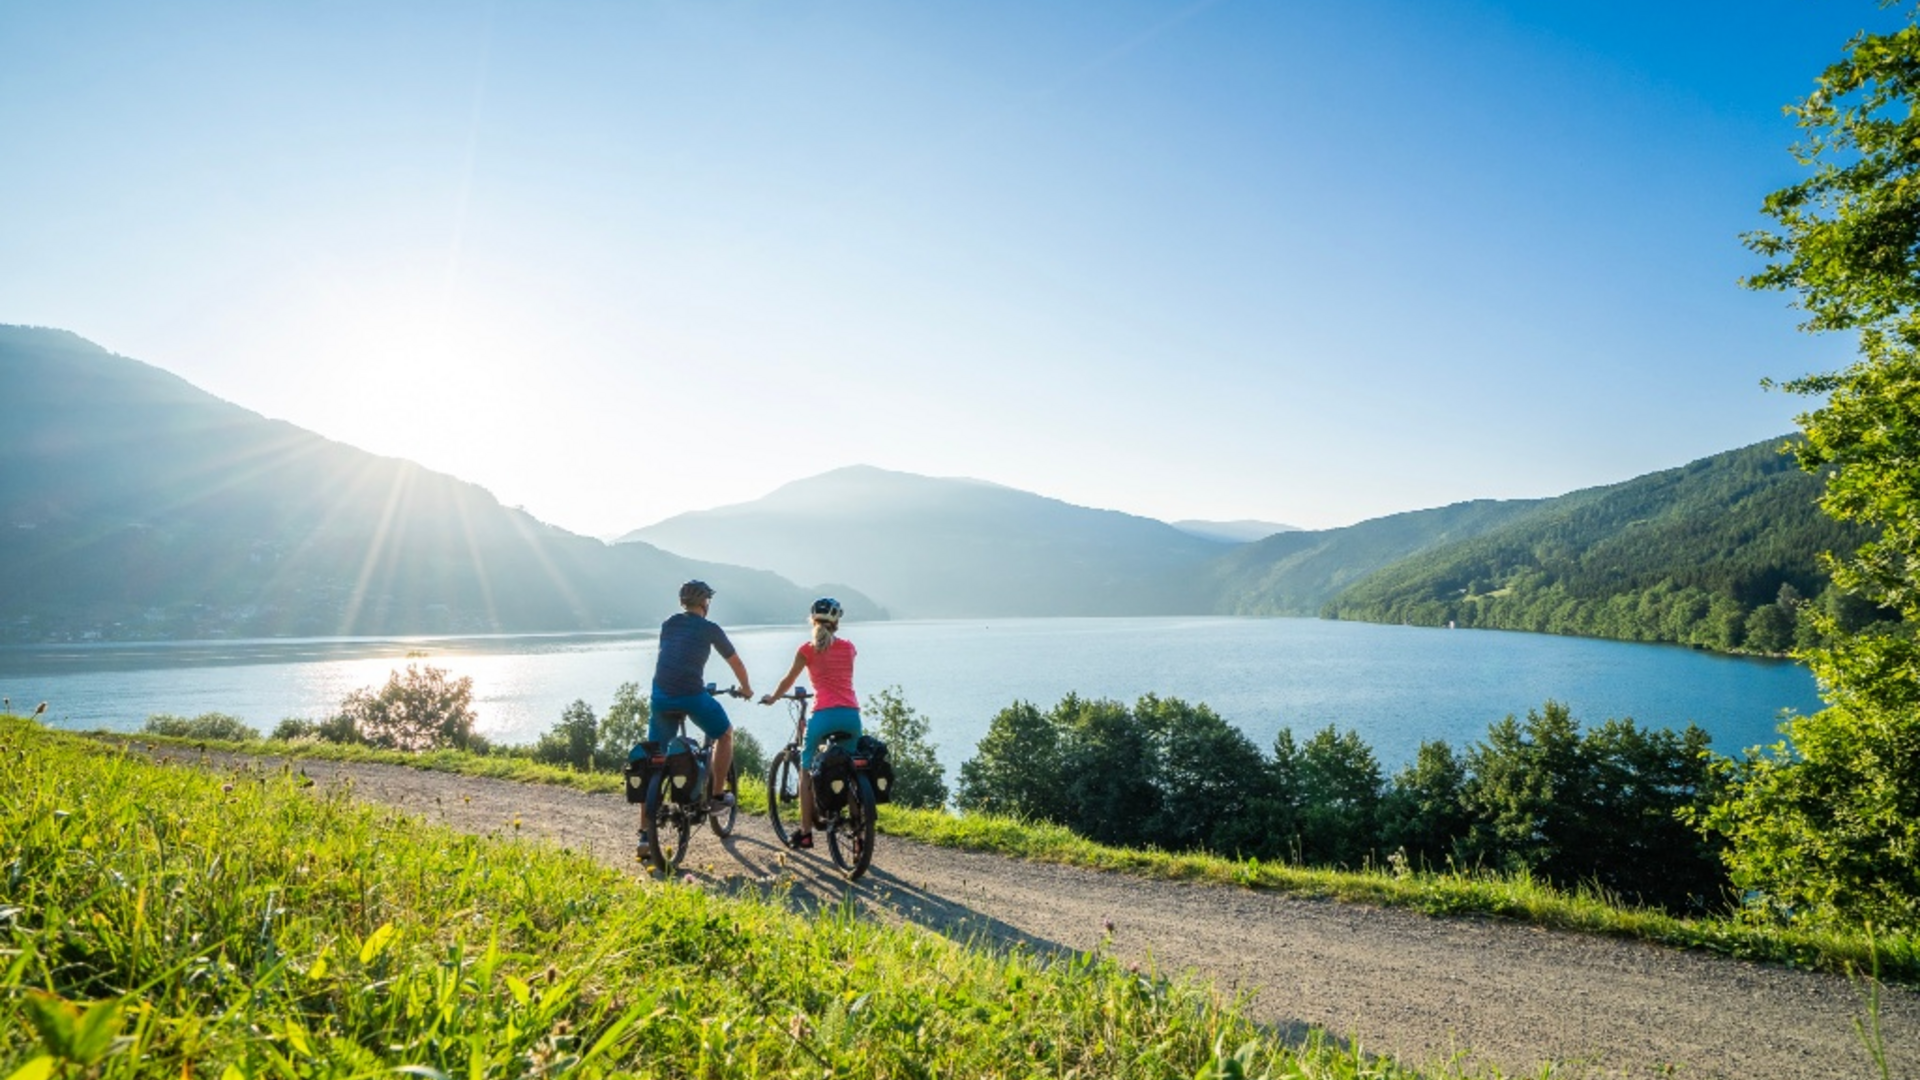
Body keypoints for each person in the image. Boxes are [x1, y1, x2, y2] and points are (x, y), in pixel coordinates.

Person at [638, 579, 753, 861]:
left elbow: (675, 657)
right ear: (705, 603)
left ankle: (643, 835)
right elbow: (736, 662)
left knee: (655, 759)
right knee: (724, 733)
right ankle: (715, 797)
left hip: (660, 698)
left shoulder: (668, 624)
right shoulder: (710, 628)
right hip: (691, 695)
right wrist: (746, 688)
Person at [760, 596, 860, 850]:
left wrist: (773, 698)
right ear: (837, 622)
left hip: (822, 716)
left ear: (812, 620)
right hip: (851, 716)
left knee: (806, 771)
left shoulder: (806, 650)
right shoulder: (849, 647)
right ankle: (859, 833)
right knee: (850, 770)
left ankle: (805, 833)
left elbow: (788, 680)